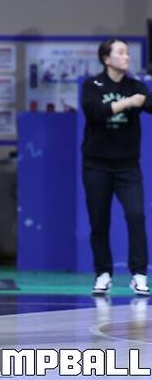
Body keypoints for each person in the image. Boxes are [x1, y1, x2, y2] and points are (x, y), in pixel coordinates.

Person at [82, 38, 152, 296]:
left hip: (127, 166)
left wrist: (141, 100)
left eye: (127, 52)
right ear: (106, 58)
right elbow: (95, 113)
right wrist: (128, 103)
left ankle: (139, 274)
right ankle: (103, 273)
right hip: (96, 165)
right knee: (99, 221)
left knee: (136, 216)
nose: (126, 57)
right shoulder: (93, 85)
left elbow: (149, 104)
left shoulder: (136, 86)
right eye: (120, 52)